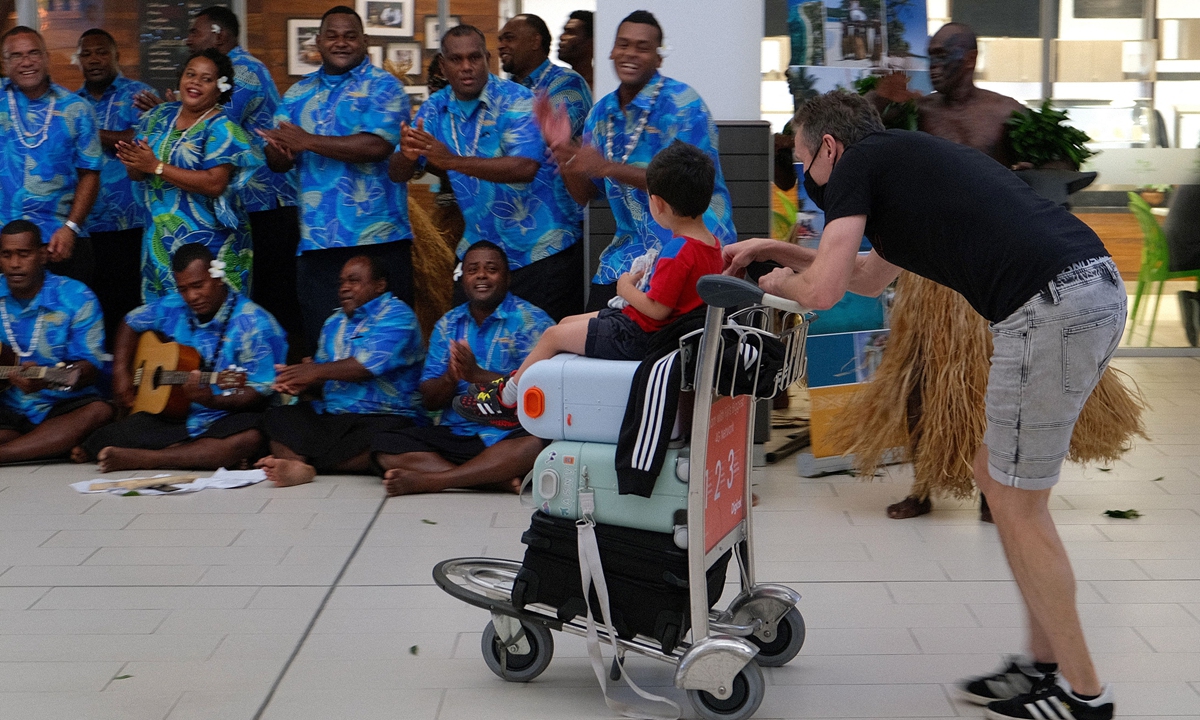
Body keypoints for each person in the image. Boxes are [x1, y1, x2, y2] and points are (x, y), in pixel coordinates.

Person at [725, 90, 1123, 720]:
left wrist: (781, 283)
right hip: (1080, 290)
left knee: (1017, 501)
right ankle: (1043, 665)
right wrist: (778, 251)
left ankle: (1084, 696)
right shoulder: (901, 170)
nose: (805, 177)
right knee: (1000, 480)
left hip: (1050, 305)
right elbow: (863, 277)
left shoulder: (859, 165)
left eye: (803, 162)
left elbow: (822, 291)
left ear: (830, 147)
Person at [455, 140, 723, 427]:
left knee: (553, 336)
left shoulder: (677, 251)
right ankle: (516, 382)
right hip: (648, 330)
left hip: (639, 335)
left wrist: (625, 288)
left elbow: (657, 310)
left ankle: (507, 402)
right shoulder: (712, 245)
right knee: (566, 323)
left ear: (657, 203)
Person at [391, 25, 583, 322]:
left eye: (474, 57)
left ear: (487, 59)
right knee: (467, 341)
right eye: (456, 59)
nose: (466, 67)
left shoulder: (517, 99)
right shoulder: (434, 109)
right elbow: (397, 173)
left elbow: (525, 167)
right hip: (481, 254)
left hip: (541, 250)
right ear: (443, 65)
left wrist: (451, 161)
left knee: (541, 349)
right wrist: (406, 154)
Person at [551, 11, 736, 311]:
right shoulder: (600, 114)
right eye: (623, 45)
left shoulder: (683, 104)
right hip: (629, 254)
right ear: (611, 51)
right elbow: (585, 194)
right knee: (584, 329)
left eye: (642, 47)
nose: (630, 54)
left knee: (652, 338)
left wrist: (607, 167)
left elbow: (685, 183)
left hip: (688, 249)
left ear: (658, 57)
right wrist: (565, 157)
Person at [262, 5, 414, 358]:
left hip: (379, 241)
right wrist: (279, 151)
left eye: (350, 36)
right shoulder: (297, 94)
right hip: (318, 244)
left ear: (365, 40)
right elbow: (277, 161)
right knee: (325, 348)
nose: (341, 43)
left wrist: (306, 141)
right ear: (318, 41)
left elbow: (377, 146)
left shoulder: (385, 87)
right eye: (332, 36)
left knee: (387, 350)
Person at [75, 243, 286, 473]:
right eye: (183, 289)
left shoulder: (254, 323)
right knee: (104, 437)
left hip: (229, 414)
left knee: (249, 437)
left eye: (198, 285)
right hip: (178, 414)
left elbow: (258, 391)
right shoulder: (173, 306)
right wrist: (121, 372)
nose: (191, 296)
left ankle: (147, 458)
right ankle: (186, 453)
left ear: (218, 277)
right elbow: (130, 322)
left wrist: (212, 400)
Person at [371, 240, 552, 496]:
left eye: (491, 269)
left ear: (507, 277)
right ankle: (488, 478)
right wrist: (450, 377)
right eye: (472, 270)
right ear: (463, 278)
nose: (481, 275)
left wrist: (477, 375)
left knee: (537, 444)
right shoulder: (448, 324)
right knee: (385, 444)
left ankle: (436, 481)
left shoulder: (533, 321)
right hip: (457, 432)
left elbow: (545, 393)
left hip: (508, 434)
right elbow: (430, 401)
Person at [183, 6, 305, 359]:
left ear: (218, 34)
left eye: (195, 32)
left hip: (268, 204)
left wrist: (167, 111)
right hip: (245, 206)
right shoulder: (227, 70)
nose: (189, 40)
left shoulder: (244, 71)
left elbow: (208, 119)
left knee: (275, 299)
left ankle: (285, 375)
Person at [256, 256, 424, 487]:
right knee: (279, 416)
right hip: (334, 418)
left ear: (380, 285)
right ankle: (299, 467)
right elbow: (323, 377)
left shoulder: (398, 316)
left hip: (382, 416)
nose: (344, 287)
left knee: (393, 438)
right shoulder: (333, 322)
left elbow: (365, 366)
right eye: (341, 282)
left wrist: (313, 371)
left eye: (353, 281)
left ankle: (302, 460)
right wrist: (299, 381)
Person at [116, 49, 261, 301]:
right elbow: (138, 174)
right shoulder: (158, 116)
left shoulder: (223, 127)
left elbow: (215, 183)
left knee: (213, 314)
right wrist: (134, 161)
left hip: (210, 243)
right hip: (160, 240)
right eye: (190, 74)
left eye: (206, 79)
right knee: (165, 318)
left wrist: (156, 166)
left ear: (220, 88)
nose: (195, 82)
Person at [0, 220, 112, 464]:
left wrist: (48, 378)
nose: (14, 264)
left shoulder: (76, 296)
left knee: (99, 411)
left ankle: (8, 453)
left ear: (42, 255)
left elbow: (90, 370)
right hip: (7, 409)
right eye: (6, 255)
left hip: (59, 407)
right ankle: (39, 445)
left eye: (23, 254)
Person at [0, 26, 101, 284]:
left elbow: (90, 174)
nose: (26, 62)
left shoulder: (77, 109)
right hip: (3, 245)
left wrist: (71, 228)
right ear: (5, 63)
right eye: (16, 55)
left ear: (46, 58)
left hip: (59, 242)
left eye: (33, 53)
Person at [73, 29, 154, 349]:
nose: (94, 59)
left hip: (132, 225)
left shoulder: (140, 95)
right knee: (92, 308)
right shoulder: (70, 103)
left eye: (101, 52)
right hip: (86, 226)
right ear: (79, 60)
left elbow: (140, 140)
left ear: (116, 56)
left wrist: (89, 131)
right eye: (86, 54)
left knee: (132, 309)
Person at [558, 10, 594, 90]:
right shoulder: (556, 83)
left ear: (591, 42)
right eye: (564, 31)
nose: (562, 37)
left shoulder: (606, 85)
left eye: (570, 32)